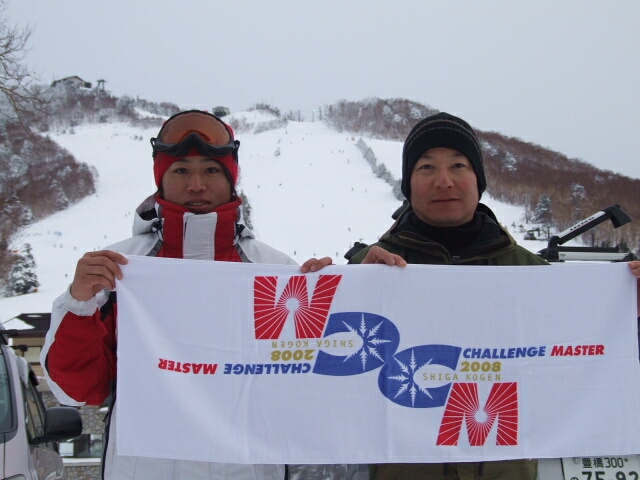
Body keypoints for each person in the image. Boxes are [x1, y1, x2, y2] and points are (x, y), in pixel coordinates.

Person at [303, 111, 640, 479]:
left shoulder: (533, 276)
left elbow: (585, 364)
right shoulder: (368, 271)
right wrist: (319, 294)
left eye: (458, 165)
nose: (444, 181)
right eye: (426, 167)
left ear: (478, 180)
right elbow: (315, 382)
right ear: (408, 185)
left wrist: (630, 310)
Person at [40, 110, 331, 480]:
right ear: (160, 180)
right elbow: (78, 391)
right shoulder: (119, 269)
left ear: (231, 179)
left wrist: (350, 291)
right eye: (180, 170)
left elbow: (312, 385)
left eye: (211, 170)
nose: (196, 185)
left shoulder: (275, 271)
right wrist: (79, 302)